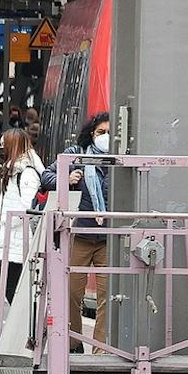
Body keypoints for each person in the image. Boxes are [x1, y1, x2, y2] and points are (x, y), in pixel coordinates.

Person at [49, 112, 114, 349]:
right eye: (100, 132)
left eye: (109, 133)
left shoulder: (119, 160)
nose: (105, 138)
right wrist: (65, 179)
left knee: (108, 296)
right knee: (72, 293)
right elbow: (46, 177)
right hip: (79, 235)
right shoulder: (76, 155)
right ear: (91, 134)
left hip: (109, 238)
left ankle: (100, 350)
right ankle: (74, 343)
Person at [0, 128, 44, 302]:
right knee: (12, 290)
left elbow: (28, 207)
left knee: (13, 290)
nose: (2, 151)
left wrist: (7, 221)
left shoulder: (26, 173)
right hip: (14, 239)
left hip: (20, 239)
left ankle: (24, 328)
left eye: (4, 146)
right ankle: (22, 327)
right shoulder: (15, 171)